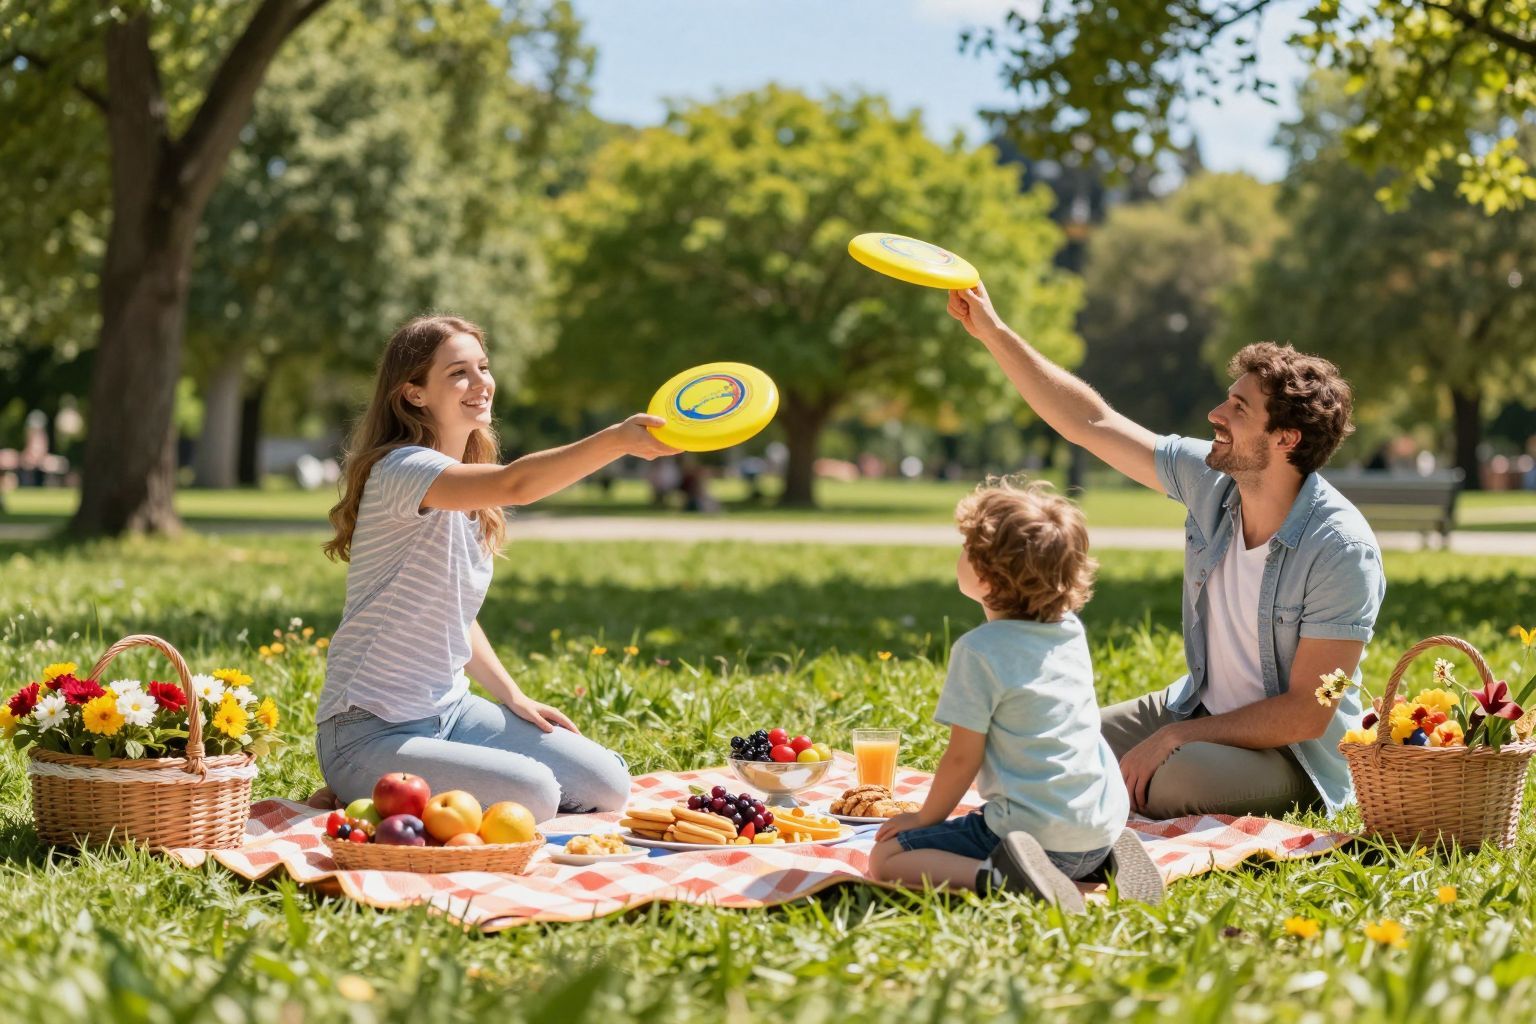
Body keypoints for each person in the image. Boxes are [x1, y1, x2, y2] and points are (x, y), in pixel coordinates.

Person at [947, 283, 1383, 820]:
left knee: (1171, 782)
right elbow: (1091, 422)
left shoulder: (1340, 548)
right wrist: (993, 331)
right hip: (1197, 709)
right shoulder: (1211, 481)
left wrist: (1177, 737)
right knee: (1046, 746)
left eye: (1239, 408)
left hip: (1293, 756)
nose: (1216, 414)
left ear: (1285, 439)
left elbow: (1305, 715)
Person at [311, 314, 678, 819]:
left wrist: (512, 696)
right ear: (414, 393)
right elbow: (516, 484)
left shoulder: (462, 491)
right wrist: (617, 440)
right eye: (458, 373)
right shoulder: (402, 469)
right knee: (537, 793)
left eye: (483, 367)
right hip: (367, 731)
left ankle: (407, 784)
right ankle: (357, 780)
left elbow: (454, 612)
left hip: (452, 711)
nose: (481, 382)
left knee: (608, 785)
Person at [867, 479, 1161, 910]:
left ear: (986, 576)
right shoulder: (1069, 631)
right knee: (1069, 838)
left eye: (966, 548)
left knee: (886, 858)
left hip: (1033, 834)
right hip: (1101, 823)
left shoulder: (979, 652)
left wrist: (924, 817)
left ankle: (1006, 877)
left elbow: (962, 758)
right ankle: (1105, 860)